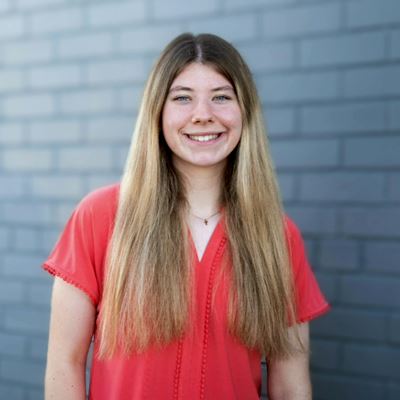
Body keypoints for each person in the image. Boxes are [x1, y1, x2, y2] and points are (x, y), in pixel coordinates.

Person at [43, 33, 330, 400]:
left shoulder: (278, 237)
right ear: (158, 112)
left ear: (245, 111)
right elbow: (64, 365)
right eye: (182, 97)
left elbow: (290, 386)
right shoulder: (99, 217)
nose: (203, 114)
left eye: (221, 97)